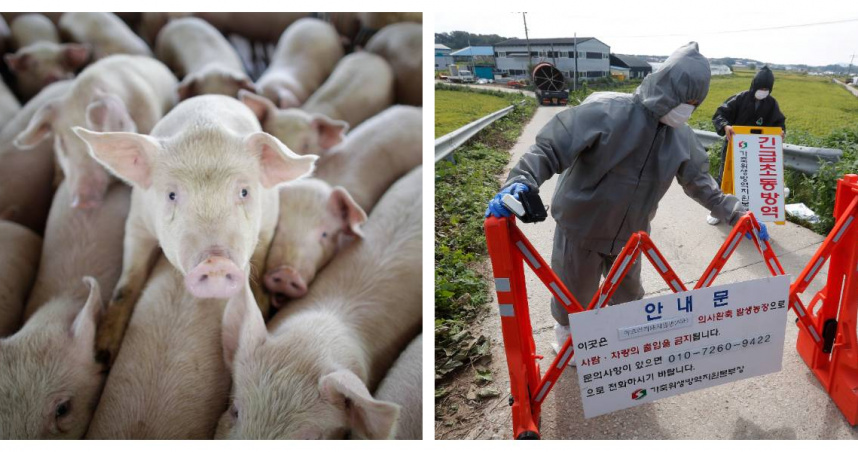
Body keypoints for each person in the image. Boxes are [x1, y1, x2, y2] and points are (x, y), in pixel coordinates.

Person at [486, 42, 769, 363]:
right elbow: (550, 148)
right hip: (581, 229)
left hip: (631, 240)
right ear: (666, 87)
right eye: (684, 99)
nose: (687, 108)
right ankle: (565, 342)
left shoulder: (681, 137)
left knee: (630, 299)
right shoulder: (606, 110)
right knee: (573, 297)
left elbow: (701, 184)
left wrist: (736, 214)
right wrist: (522, 180)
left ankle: (621, 359)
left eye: (694, 103)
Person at [707, 65, 786, 225]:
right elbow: (720, 114)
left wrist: (781, 132)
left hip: (757, 150)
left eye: (766, 88)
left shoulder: (771, 104)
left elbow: (779, 123)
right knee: (726, 179)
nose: (763, 91)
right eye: (761, 87)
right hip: (734, 147)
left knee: (751, 181)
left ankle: (751, 213)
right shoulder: (740, 99)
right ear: (754, 85)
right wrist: (725, 126)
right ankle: (718, 212)